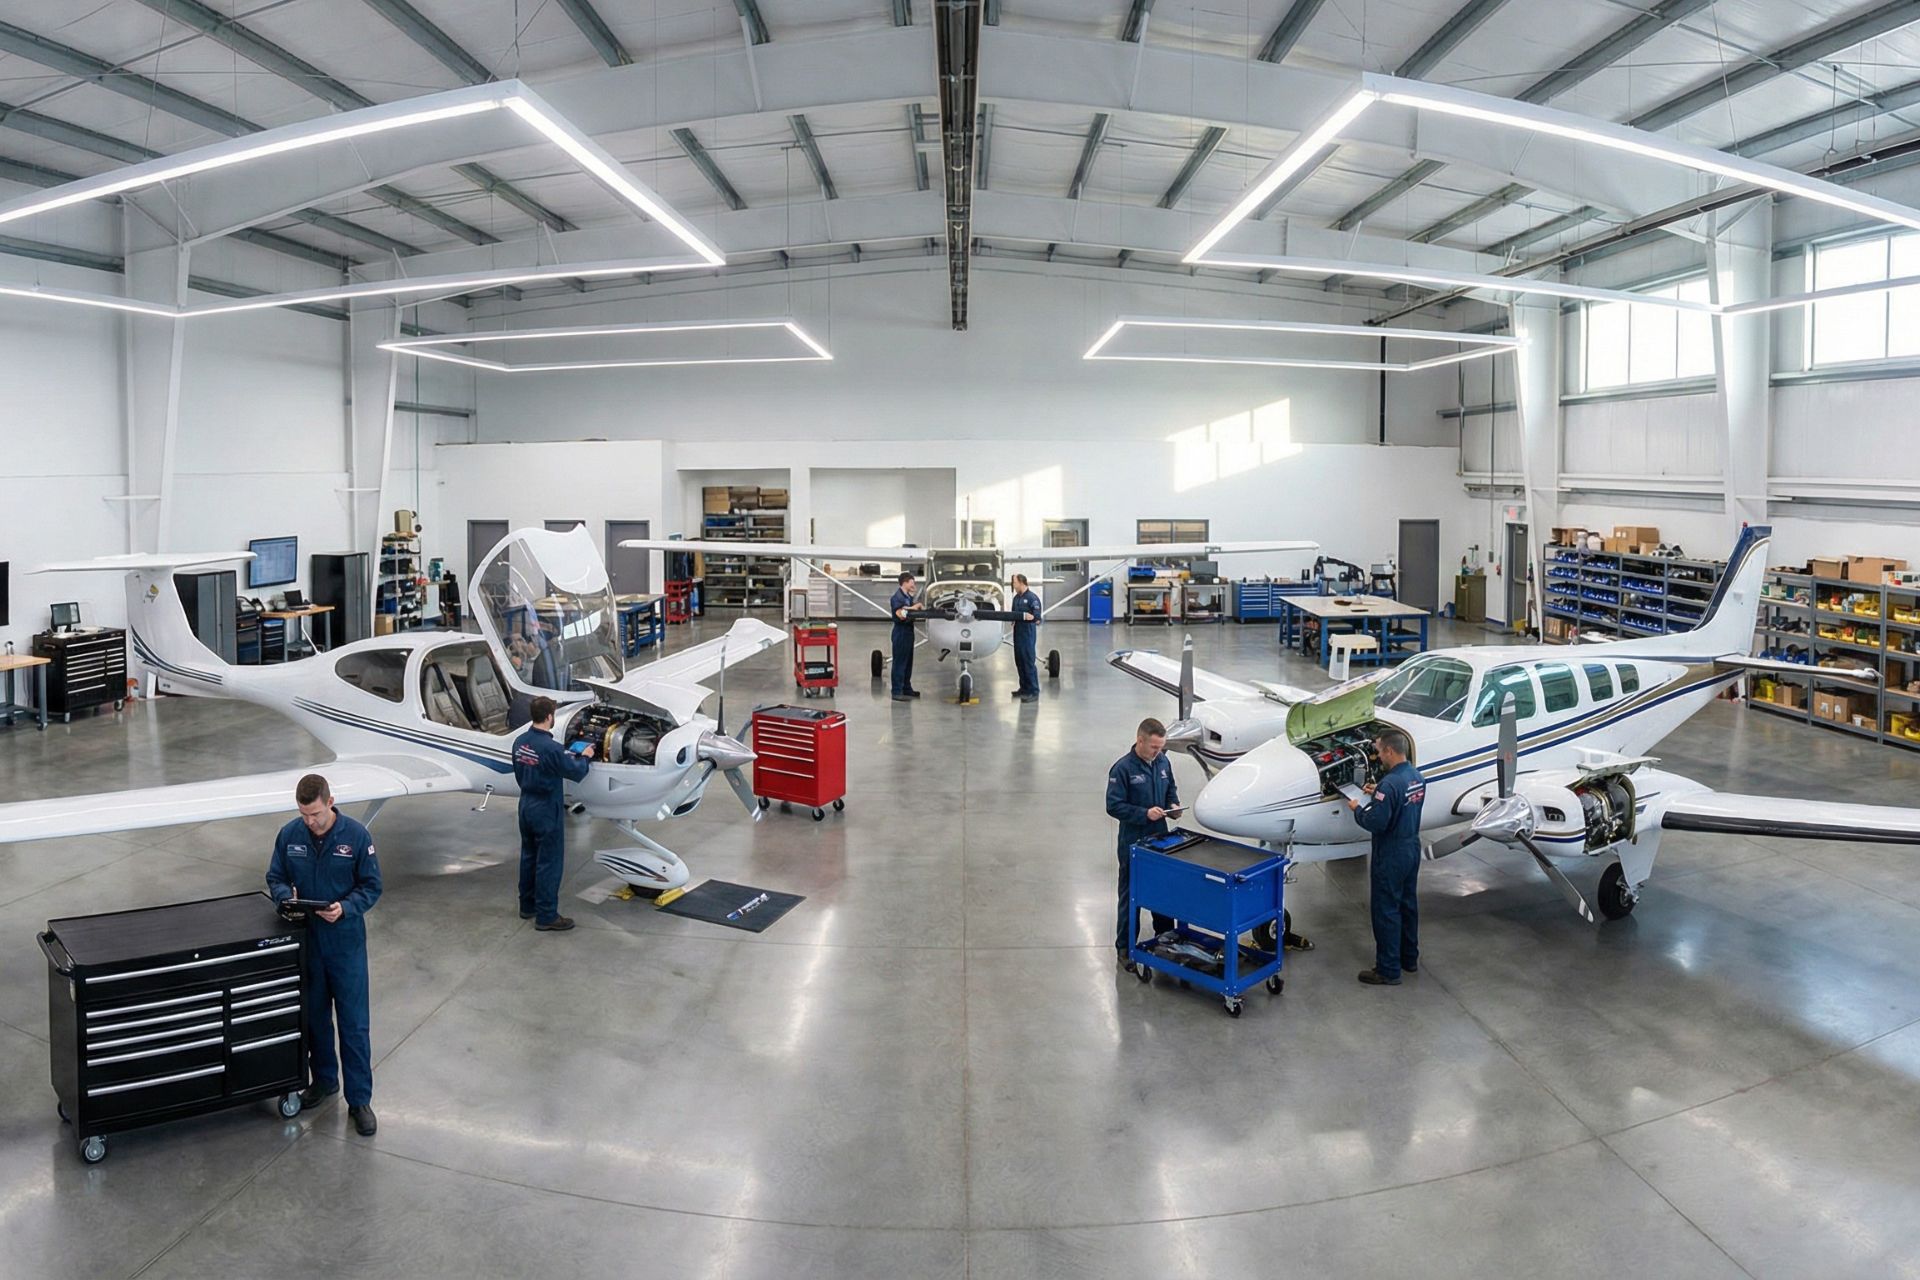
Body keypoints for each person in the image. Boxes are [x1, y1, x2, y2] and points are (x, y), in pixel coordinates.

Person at [266, 773, 383, 1136]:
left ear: (330, 803)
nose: (310, 822)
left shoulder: (357, 837)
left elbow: (372, 886)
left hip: (345, 943)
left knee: (353, 1025)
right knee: (314, 1018)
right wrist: (285, 897)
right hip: (310, 942)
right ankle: (324, 1081)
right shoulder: (290, 835)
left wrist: (346, 908)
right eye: (304, 815)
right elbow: (275, 877)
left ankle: (359, 1100)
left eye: (315, 814)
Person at [1348, 728, 1426, 986]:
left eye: (1380, 751)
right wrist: (1378, 792)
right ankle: (1409, 958)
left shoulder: (1389, 784)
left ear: (1390, 751)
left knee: (1386, 910)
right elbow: (1400, 803)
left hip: (1390, 853)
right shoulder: (1416, 776)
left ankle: (1388, 969)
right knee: (1407, 904)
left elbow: (1376, 822)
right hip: (1411, 847)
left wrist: (1358, 809)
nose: (1378, 756)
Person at [513, 695, 594, 931]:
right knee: (549, 862)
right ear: (550, 717)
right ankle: (547, 915)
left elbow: (521, 770)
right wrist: (586, 757)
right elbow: (577, 772)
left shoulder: (519, 742)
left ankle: (527, 906)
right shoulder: (551, 748)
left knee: (528, 857)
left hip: (526, 804)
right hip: (546, 809)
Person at [1106, 717, 1179, 971]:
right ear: (1140, 741)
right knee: (1131, 897)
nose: (1158, 752)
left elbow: (1171, 788)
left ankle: (1167, 940)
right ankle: (1125, 949)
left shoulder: (1163, 762)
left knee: (1162, 893)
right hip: (1133, 843)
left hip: (1160, 839)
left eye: (1161, 747)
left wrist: (1173, 806)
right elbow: (1113, 806)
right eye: (1154, 747)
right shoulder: (1122, 769)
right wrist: (1144, 814)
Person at [888, 572, 923, 702]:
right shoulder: (897, 597)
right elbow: (901, 614)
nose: (914, 585)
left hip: (908, 631)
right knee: (900, 663)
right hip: (901, 632)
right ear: (905, 582)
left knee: (908, 662)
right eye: (912, 583)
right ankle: (897, 691)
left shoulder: (907, 597)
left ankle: (906, 688)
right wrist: (916, 607)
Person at [1008, 573, 1043, 702]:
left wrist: (1032, 617)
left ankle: (1033, 691)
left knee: (1028, 662)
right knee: (1020, 662)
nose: (1013, 585)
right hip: (1018, 634)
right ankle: (1024, 688)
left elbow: (1038, 619)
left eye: (1014, 583)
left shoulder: (1032, 598)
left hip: (1027, 634)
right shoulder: (1016, 598)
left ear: (1021, 583)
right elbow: (1013, 615)